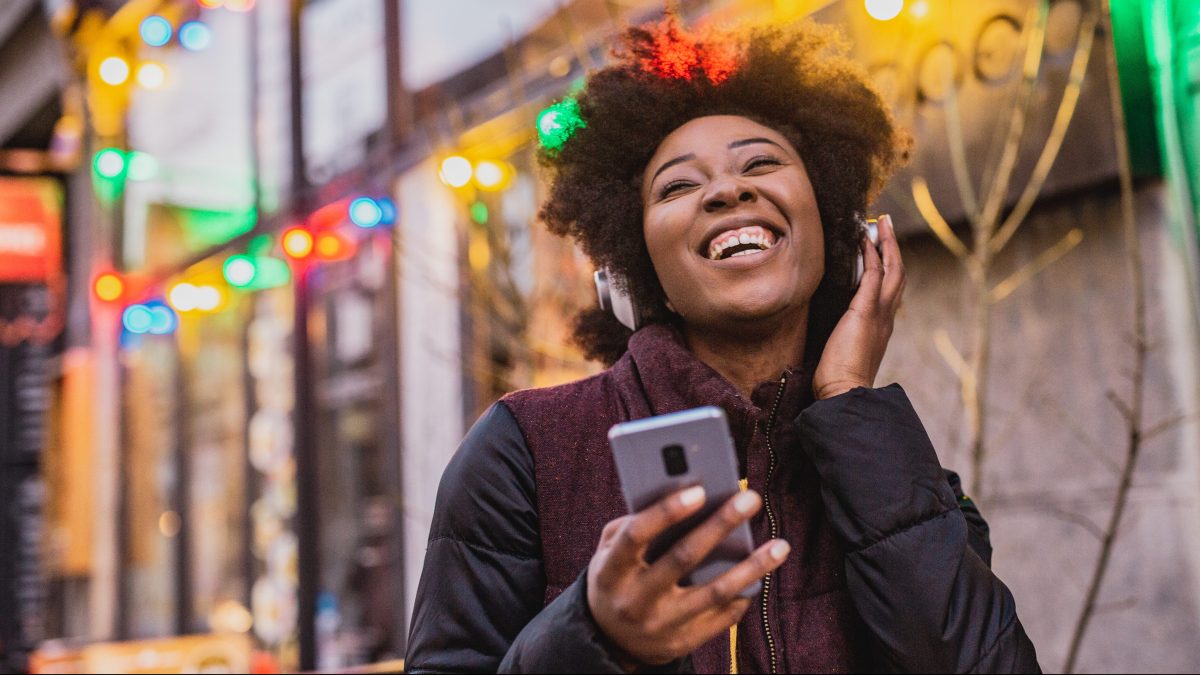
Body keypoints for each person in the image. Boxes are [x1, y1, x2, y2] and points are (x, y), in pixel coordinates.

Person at [405, 16, 1040, 674]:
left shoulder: (891, 466)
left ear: (841, 233)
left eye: (761, 163)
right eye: (679, 185)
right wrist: (595, 636)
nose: (728, 189)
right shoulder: (524, 451)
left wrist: (850, 395)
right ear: (631, 271)